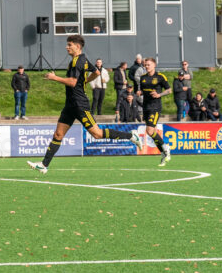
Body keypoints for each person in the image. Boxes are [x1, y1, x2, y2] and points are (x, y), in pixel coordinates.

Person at [27, 34, 137, 174]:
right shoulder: (81, 59)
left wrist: (54, 78)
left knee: (97, 134)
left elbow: (73, 82)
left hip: (80, 104)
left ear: (77, 46)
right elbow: (96, 72)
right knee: (58, 134)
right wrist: (85, 81)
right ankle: (44, 165)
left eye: (69, 45)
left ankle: (131, 136)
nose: (67, 47)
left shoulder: (77, 61)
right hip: (70, 105)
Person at [134, 57, 173, 166]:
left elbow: (169, 90)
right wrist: (140, 92)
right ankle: (164, 153)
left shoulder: (160, 77)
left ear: (154, 65)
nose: (146, 66)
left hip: (155, 107)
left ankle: (165, 147)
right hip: (145, 107)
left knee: (149, 131)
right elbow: (143, 90)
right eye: (145, 65)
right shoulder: (143, 78)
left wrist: (159, 95)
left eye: (148, 64)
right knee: (152, 132)